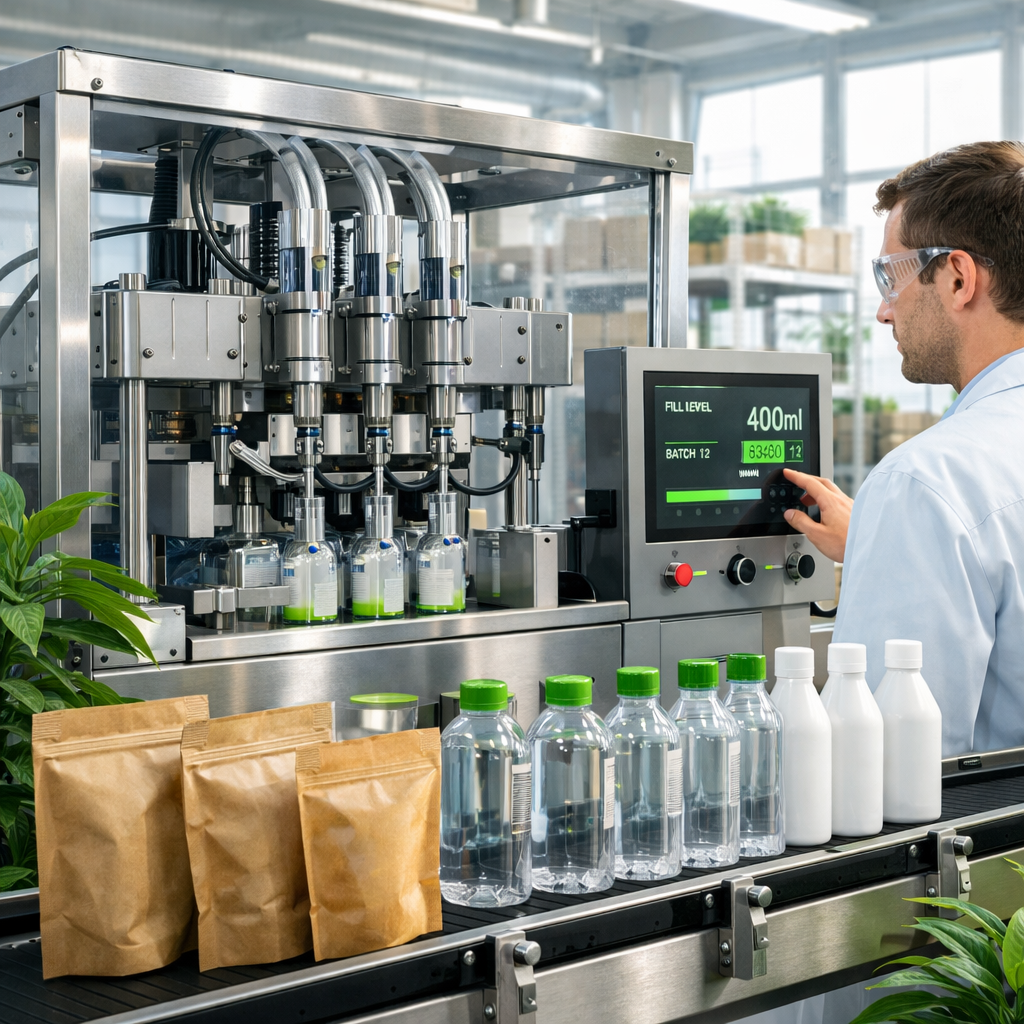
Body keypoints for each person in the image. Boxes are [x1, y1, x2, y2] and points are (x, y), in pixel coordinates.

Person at [783, 140, 1024, 757]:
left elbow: (890, 769)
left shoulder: (928, 482)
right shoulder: (934, 496)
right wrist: (878, 540)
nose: (884, 312)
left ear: (959, 277)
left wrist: (906, 523)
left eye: (891, 275)